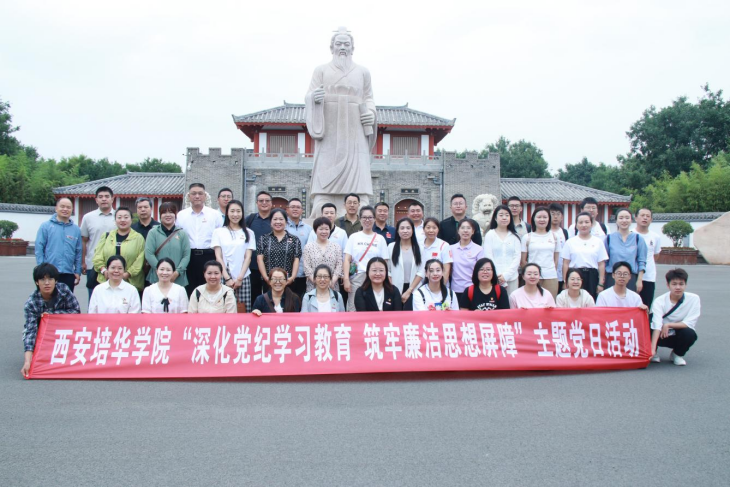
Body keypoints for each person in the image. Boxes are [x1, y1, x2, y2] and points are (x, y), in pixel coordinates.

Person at [305, 28, 376, 217]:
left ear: (352, 48)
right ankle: (323, 199)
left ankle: (359, 199)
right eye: (339, 44)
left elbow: (369, 98)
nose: (342, 48)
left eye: (346, 44)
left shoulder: (363, 72)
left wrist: (371, 113)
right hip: (329, 125)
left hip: (355, 126)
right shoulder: (321, 70)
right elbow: (310, 94)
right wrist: (314, 98)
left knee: (357, 163)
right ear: (332, 47)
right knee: (326, 159)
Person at [21, 263, 81, 378]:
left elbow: (76, 311)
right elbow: (30, 332)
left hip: (64, 330)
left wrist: (52, 316)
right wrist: (28, 361)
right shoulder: (31, 303)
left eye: (50, 279)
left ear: (56, 280)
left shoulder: (64, 290)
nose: (47, 283)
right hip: (42, 333)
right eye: (42, 280)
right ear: (37, 282)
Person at [176, 183, 223, 296]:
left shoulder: (215, 214)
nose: (197, 196)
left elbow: (220, 237)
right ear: (189, 196)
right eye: (194, 193)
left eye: (200, 193)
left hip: (209, 256)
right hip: (189, 257)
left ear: (205, 196)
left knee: (209, 289)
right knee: (190, 290)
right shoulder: (181, 215)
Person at [212, 200, 256, 313]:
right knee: (222, 308)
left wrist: (240, 278)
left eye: (238, 211)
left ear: (242, 213)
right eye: (232, 211)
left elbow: (248, 257)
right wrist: (227, 278)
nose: (235, 214)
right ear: (227, 213)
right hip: (223, 275)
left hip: (243, 276)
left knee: (243, 310)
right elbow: (218, 257)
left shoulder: (249, 233)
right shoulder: (218, 232)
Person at [650, 268, 700, 366]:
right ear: (668, 285)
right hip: (660, 333)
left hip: (677, 332)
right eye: (674, 284)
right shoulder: (659, 301)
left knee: (690, 333)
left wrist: (668, 325)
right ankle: (654, 352)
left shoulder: (694, 299)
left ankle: (677, 354)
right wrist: (652, 349)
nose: (678, 287)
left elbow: (689, 322)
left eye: (681, 284)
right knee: (647, 326)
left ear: (686, 285)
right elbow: (656, 324)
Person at [343, 206, 389, 311]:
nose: (367, 220)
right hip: (357, 277)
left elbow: (385, 262)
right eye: (364, 217)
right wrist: (346, 279)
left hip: (376, 278)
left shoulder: (380, 239)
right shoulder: (354, 237)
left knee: (374, 306)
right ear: (360, 219)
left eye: (370, 217)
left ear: (374, 219)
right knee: (354, 307)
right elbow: (347, 260)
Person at [92, 207, 146, 293]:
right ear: (115, 220)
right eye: (119, 217)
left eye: (126, 217)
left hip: (131, 283)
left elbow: (140, 260)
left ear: (131, 220)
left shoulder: (138, 238)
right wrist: (104, 270)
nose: (122, 220)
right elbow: (97, 256)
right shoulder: (106, 236)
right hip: (107, 281)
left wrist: (127, 274)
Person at [34, 197, 82, 291]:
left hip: (68, 273)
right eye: (62, 206)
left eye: (68, 207)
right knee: (48, 298)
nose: (65, 209)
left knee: (67, 298)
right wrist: (42, 268)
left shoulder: (76, 229)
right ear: (56, 208)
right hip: (49, 273)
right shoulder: (46, 226)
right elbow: (39, 248)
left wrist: (77, 271)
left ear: (72, 210)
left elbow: (78, 251)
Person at [80, 185, 116, 300]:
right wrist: (83, 262)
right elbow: (84, 241)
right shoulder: (88, 217)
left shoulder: (120, 216)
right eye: (100, 197)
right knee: (94, 298)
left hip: (115, 265)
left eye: (107, 196)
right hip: (93, 264)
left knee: (114, 298)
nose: (104, 199)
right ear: (96, 200)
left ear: (112, 199)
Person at [561, 212, 608, 299]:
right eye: (580, 222)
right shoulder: (570, 242)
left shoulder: (598, 242)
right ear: (576, 225)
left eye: (587, 222)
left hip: (592, 276)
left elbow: (601, 264)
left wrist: (601, 283)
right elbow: (565, 263)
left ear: (591, 224)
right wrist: (565, 281)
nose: (584, 225)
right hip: (574, 275)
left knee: (591, 301)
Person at [144, 202, 190, 288]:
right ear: (160, 215)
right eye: (164, 212)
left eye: (171, 212)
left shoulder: (182, 233)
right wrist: (161, 271)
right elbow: (149, 254)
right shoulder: (153, 232)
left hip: (177, 278)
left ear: (175, 215)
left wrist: (177, 272)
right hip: (157, 277)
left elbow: (186, 255)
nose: (168, 215)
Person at [256, 208, 302, 293]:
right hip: (269, 281)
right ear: (270, 222)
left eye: (281, 219)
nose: (278, 222)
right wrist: (266, 277)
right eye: (275, 219)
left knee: (288, 300)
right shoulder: (263, 239)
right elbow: (260, 259)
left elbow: (296, 260)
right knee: (268, 300)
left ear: (286, 222)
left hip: (287, 281)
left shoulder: (294, 239)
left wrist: (292, 277)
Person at [520, 206, 560, 299]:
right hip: (532, 277)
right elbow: (523, 261)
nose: (542, 220)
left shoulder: (555, 236)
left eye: (545, 217)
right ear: (534, 219)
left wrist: (550, 270)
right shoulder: (527, 237)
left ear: (549, 219)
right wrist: (529, 273)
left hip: (550, 276)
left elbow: (556, 260)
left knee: (549, 303)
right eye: (539, 217)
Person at [604, 208, 647, 292]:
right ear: (616, 220)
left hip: (630, 278)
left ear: (631, 220)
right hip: (612, 277)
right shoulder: (609, 238)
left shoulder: (638, 239)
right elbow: (604, 261)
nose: (624, 220)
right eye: (621, 218)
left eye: (627, 218)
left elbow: (642, 261)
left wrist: (639, 280)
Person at [483, 204, 521, 295]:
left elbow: (517, 258)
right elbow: (488, 256)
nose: (504, 218)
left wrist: (506, 275)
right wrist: (499, 275)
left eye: (507, 215)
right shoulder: (490, 235)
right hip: (494, 277)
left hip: (512, 278)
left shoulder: (514, 236)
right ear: (495, 218)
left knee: (512, 301)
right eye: (501, 215)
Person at [388, 217, 424, 311]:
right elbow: (388, 271)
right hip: (395, 288)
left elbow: (421, 271)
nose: (405, 231)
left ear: (412, 230)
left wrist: (409, 291)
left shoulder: (419, 248)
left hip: (414, 288)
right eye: (402, 228)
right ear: (397, 231)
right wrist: (393, 289)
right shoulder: (391, 247)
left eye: (408, 228)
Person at [303, 217, 343, 292]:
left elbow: (339, 266)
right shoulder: (308, 247)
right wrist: (317, 282)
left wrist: (331, 282)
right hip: (313, 287)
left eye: (326, 229)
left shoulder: (336, 247)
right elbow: (307, 267)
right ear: (315, 230)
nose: (324, 232)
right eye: (321, 229)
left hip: (332, 286)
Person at [245, 190, 273, 299]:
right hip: (252, 266)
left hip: (271, 266)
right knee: (253, 296)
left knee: (270, 297)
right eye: (261, 201)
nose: (264, 203)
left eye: (267, 200)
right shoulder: (249, 219)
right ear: (256, 203)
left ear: (271, 203)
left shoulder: (276, 220)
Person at [634, 207, 663, 311]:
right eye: (642, 215)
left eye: (648, 216)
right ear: (636, 218)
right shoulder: (631, 234)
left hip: (649, 277)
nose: (645, 218)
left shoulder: (655, 237)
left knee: (646, 307)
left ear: (651, 219)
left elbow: (656, 255)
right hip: (633, 275)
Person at [449, 219, 486, 296]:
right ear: (458, 231)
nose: (465, 231)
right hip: (455, 290)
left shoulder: (479, 249)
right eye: (462, 228)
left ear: (473, 231)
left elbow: (481, 270)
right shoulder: (450, 248)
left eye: (468, 228)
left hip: (472, 289)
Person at [285, 198, 312, 298]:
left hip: (302, 273)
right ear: (287, 209)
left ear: (302, 210)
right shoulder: (282, 226)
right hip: (285, 273)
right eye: (292, 207)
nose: (295, 209)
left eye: (298, 207)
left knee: (300, 301)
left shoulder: (308, 229)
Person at [420, 217, 453, 284]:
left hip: (438, 284)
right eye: (428, 227)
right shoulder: (418, 245)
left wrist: (441, 287)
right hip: (420, 284)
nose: (431, 230)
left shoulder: (444, 245)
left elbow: (446, 270)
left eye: (434, 228)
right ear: (423, 229)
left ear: (438, 229)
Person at [549, 203, 569, 293]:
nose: (555, 217)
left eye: (558, 214)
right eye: (552, 214)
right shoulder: (545, 232)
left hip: (561, 271)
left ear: (562, 217)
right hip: (548, 270)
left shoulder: (565, 232)